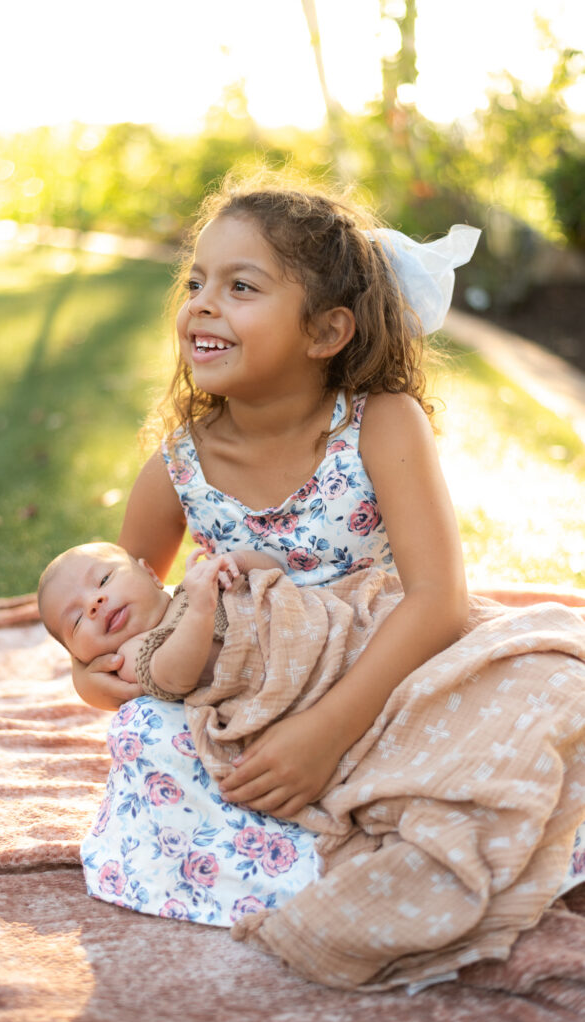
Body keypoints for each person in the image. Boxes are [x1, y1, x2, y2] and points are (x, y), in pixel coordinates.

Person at [74, 176, 480, 819]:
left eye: (240, 286)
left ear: (325, 333)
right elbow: (121, 604)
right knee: (143, 737)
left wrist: (326, 730)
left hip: (373, 676)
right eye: (195, 283)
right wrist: (91, 675)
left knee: (530, 702)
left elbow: (440, 601)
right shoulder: (181, 465)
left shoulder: (380, 424)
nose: (202, 304)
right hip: (246, 697)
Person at [37, 541, 282, 701]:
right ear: (80, 657)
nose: (94, 603)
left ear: (151, 574)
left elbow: (274, 574)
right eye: (77, 620)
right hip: (275, 682)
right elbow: (177, 676)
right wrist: (199, 611)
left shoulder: (193, 586)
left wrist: (239, 563)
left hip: (299, 626)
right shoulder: (132, 656)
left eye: (103, 580)